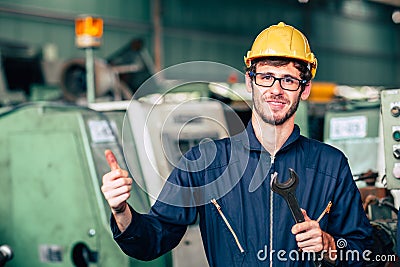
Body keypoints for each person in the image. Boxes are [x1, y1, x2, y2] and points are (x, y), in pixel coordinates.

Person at [101, 22, 372, 266]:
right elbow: (153, 239)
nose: (276, 89)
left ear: (305, 88)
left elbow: (363, 252)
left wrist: (329, 245)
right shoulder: (206, 163)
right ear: (249, 82)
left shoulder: (331, 165)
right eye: (266, 77)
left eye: (288, 80)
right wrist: (121, 210)